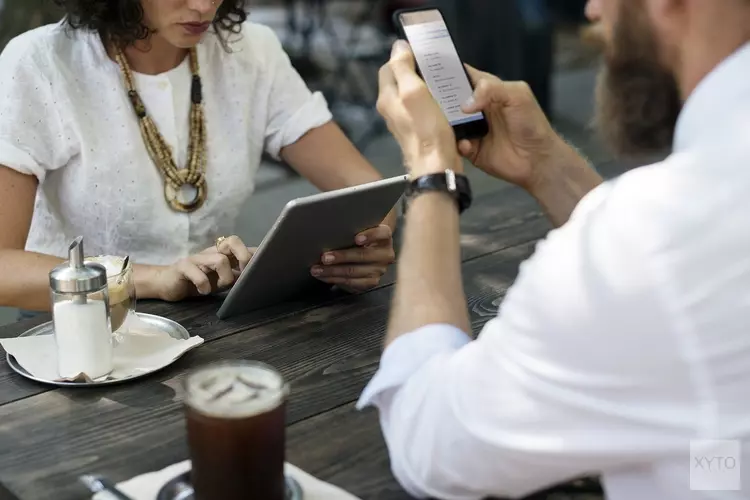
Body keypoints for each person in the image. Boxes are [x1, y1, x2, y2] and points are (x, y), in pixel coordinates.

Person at [358, 0, 750, 499]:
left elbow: (432, 441)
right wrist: (547, 165)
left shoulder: (661, 237)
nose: (592, 8)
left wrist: (433, 172)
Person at [0, 0, 397, 314]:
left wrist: (362, 245)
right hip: (74, 333)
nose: (205, 6)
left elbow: (369, 194)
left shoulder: (248, 50)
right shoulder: (40, 65)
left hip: (208, 322)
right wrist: (153, 279)